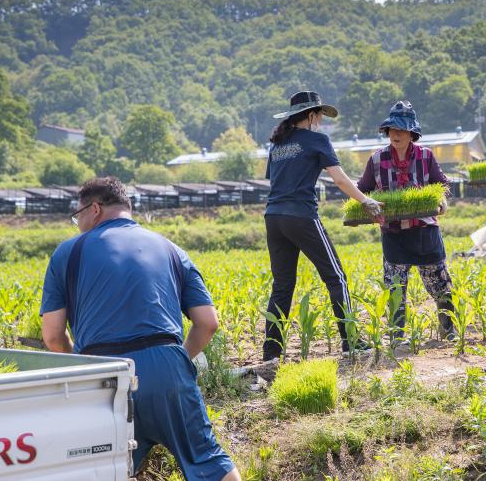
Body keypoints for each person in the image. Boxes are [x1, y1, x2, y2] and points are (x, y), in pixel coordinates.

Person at [40, 177, 240, 481]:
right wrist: (174, 361)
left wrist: (82, 368)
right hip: (166, 366)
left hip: (103, 375)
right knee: (208, 460)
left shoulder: (67, 253)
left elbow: (53, 335)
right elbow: (208, 323)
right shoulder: (172, 249)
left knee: (104, 470)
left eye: (77, 215)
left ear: (94, 208)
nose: (77, 222)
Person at [262, 91, 383, 362]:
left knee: (282, 285)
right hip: (301, 215)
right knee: (335, 276)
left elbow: (276, 181)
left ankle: (271, 352)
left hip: (273, 217)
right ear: (311, 115)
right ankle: (350, 341)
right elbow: (339, 179)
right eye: (320, 115)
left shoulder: (277, 145)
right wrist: (366, 200)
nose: (321, 121)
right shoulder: (318, 140)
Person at [357, 101, 455, 341]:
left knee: (439, 283)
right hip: (393, 234)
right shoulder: (377, 159)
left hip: (424, 231)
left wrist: (442, 198)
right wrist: (367, 206)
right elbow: (362, 190)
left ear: (412, 133)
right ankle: (397, 335)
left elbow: (441, 184)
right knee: (395, 288)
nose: (396, 134)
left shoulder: (426, 156)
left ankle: (449, 329)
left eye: (401, 130)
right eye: (392, 130)